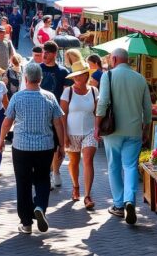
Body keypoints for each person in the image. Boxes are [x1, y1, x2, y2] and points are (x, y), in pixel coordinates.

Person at [0, 63, 66, 234]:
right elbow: (58, 123)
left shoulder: (17, 97)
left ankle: (26, 223)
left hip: (21, 147)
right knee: (43, 178)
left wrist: (0, 141)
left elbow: (7, 122)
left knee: (23, 183)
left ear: (26, 78)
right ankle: (40, 206)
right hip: (45, 147)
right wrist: (62, 145)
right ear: (40, 79)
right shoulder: (50, 97)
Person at [95, 48, 152, 225]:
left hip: (113, 130)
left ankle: (119, 204)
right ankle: (130, 201)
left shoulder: (108, 76)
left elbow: (103, 101)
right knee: (130, 166)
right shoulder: (140, 78)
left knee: (114, 166)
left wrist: (97, 125)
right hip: (134, 130)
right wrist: (146, 129)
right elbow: (148, 109)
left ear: (113, 59)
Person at [61, 60, 98, 210]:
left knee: (88, 160)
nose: (76, 78)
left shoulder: (94, 91)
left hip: (89, 132)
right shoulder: (67, 92)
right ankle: (76, 186)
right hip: (71, 132)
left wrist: (98, 128)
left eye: (79, 75)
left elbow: (97, 113)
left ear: (85, 75)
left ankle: (87, 195)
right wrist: (64, 135)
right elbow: (62, 115)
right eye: (74, 76)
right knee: (74, 161)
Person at [40, 41, 72, 188]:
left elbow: (66, 95)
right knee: (44, 145)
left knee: (58, 144)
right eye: (43, 52)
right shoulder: (37, 69)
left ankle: (56, 171)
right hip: (40, 112)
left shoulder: (63, 72)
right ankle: (47, 173)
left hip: (57, 113)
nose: (44, 55)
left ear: (53, 54)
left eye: (47, 52)